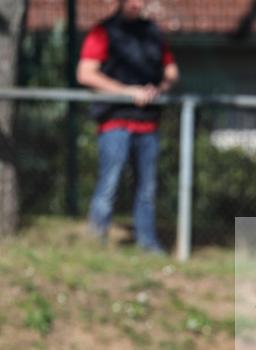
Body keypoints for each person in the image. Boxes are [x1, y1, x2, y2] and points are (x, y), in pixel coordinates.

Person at [77, 0, 179, 253]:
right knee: (109, 183)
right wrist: (126, 92)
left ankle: (147, 242)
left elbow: (172, 73)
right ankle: (97, 239)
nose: (136, 3)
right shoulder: (103, 31)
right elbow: (86, 73)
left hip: (147, 123)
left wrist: (157, 90)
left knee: (147, 189)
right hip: (115, 120)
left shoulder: (153, 33)